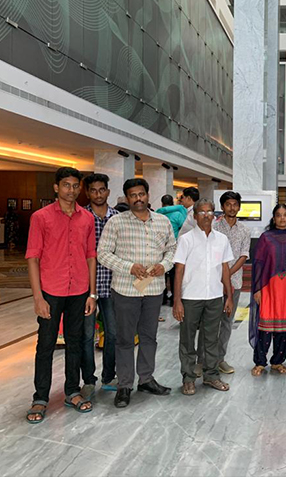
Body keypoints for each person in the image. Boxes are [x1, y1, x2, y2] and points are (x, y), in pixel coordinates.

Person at [25, 167, 97, 423]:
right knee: (45, 344)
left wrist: (92, 293)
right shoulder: (40, 217)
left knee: (75, 343)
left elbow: (91, 256)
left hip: (79, 291)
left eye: (76, 186)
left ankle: (72, 391)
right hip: (51, 291)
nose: (71, 190)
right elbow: (33, 258)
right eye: (66, 185)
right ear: (56, 187)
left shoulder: (87, 218)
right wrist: (38, 298)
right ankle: (40, 397)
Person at [98, 178, 176, 408]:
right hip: (125, 290)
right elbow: (103, 253)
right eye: (133, 195)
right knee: (124, 339)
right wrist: (129, 267)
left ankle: (146, 379)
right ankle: (124, 385)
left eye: (141, 194)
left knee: (149, 337)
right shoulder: (116, 222)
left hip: (154, 289)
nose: (138, 198)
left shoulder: (162, 221)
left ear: (148, 195)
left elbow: (172, 249)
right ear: (127, 198)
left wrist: (165, 265)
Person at [173, 199, 234, 394]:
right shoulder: (186, 239)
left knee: (211, 339)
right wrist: (177, 301)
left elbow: (225, 268)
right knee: (188, 339)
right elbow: (179, 270)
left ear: (214, 215)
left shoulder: (221, 239)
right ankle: (188, 378)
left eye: (209, 212)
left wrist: (229, 296)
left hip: (214, 296)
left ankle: (211, 376)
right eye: (202, 212)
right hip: (191, 297)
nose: (206, 216)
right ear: (195, 215)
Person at [249, 204, 286, 377]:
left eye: (285, 215)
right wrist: (257, 288)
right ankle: (260, 362)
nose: (282, 218)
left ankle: (277, 361)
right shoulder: (266, 238)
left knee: (285, 327)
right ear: (274, 218)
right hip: (268, 287)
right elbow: (258, 263)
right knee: (265, 325)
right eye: (278, 215)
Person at [83, 173, 119, 396]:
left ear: (108, 191)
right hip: (87, 288)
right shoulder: (81, 217)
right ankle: (88, 380)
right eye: (93, 190)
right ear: (88, 193)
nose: (98, 194)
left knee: (113, 333)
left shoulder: (117, 218)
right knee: (87, 336)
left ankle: (108, 376)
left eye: (101, 190)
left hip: (113, 285)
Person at [212, 191, 252, 374]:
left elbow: (244, 255)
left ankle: (220, 359)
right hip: (213, 282)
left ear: (239, 207)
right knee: (210, 322)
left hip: (234, 282)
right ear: (222, 207)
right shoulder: (213, 227)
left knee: (227, 322)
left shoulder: (244, 230)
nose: (232, 207)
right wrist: (220, 274)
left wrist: (227, 274)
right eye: (228, 204)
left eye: (235, 204)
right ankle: (204, 360)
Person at [156, 195, 188, 309]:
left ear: (162, 203)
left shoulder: (157, 214)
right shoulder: (178, 214)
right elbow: (184, 228)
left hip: (159, 247)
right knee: (174, 273)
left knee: (161, 272)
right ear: (172, 202)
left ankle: (162, 297)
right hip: (173, 247)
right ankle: (174, 296)